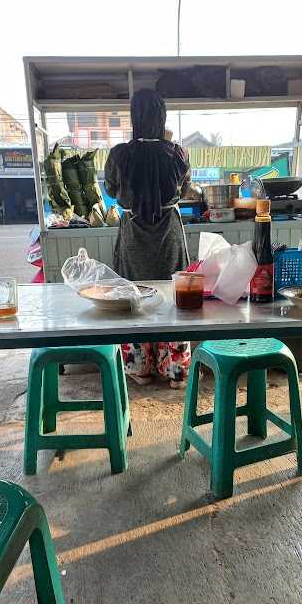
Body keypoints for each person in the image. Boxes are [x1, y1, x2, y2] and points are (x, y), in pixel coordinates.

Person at [104, 88, 191, 389]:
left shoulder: (119, 155)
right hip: (169, 232)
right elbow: (186, 188)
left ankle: (140, 369)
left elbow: (111, 190)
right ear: (162, 116)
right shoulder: (178, 154)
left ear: (133, 118)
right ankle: (176, 372)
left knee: (133, 296)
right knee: (172, 296)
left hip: (133, 234)